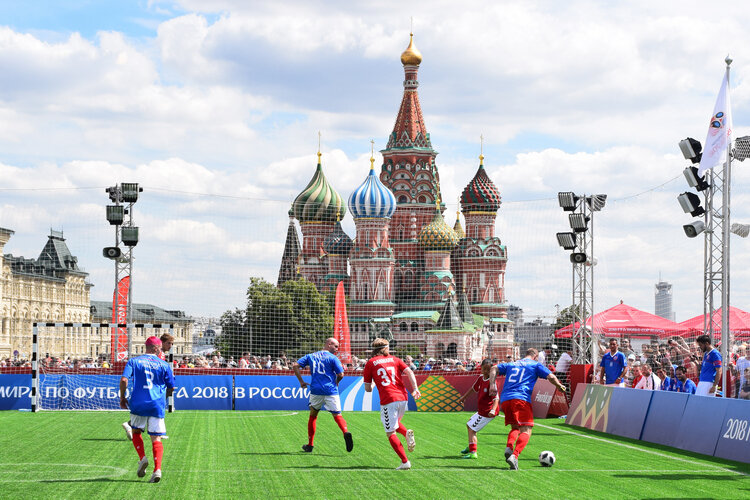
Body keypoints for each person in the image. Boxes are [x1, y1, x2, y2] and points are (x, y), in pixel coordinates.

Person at [488, 348, 566, 471]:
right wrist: (559, 385)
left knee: (515, 427)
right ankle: (515, 455)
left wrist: (492, 384)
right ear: (535, 356)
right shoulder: (535, 365)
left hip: (506, 398)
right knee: (526, 430)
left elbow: (493, 368)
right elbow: (551, 376)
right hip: (521, 399)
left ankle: (509, 447)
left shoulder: (512, 363)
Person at [119, 336, 175, 483]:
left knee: (136, 431)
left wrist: (122, 397)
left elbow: (124, 380)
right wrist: (165, 396)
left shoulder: (134, 361)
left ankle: (142, 458)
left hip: (138, 403)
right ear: (156, 348)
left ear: (146, 347)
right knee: (156, 438)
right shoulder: (163, 364)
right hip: (156, 404)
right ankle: (157, 470)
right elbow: (171, 387)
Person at [363, 338, 421, 470]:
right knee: (395, 423)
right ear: (386, 348)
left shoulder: (371, 363)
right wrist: (415, 388)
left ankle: (405, 462)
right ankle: (406, 433)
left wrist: (373, 384)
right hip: (403, 397)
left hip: (388, 399)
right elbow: (410, 372)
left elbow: (367, 388)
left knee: (390, 433)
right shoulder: (395, 359)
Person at [292, 338, 353, 454]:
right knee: (337, 415)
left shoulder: (311, 356)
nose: (337, 348)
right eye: (335, 346)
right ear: (329, 344)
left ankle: (310, 445)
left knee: (313, 416)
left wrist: (301, 381)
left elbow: (295, 365)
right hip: (331, 390)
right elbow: (341, 374)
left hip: (316, 390)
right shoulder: (333, 358)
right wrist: (337, 382)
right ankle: (345, 432)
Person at [122, 333, 174, 441]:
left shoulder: (162, 354)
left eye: (172, 343)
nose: (171, 346)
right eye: (169, 343)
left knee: (147, 412)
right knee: (153, 410)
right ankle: (133, 426)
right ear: (161, 343)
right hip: (152, 388)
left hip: (148, 390)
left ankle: (132, 426)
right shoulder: (159, 355)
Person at [455, 359, 500, 459]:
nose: (486, 372)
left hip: (487, 412)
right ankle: (471, 444)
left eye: (488, 370)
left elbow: (496, 398)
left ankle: (473, 452)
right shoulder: (480, 378)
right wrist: (463, 397)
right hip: (481, 411)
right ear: (481, 369)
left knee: (472, 429)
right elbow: (473, 389)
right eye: (484, 369)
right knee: (469, 425)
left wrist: (493, 410)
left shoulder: (492, 382)